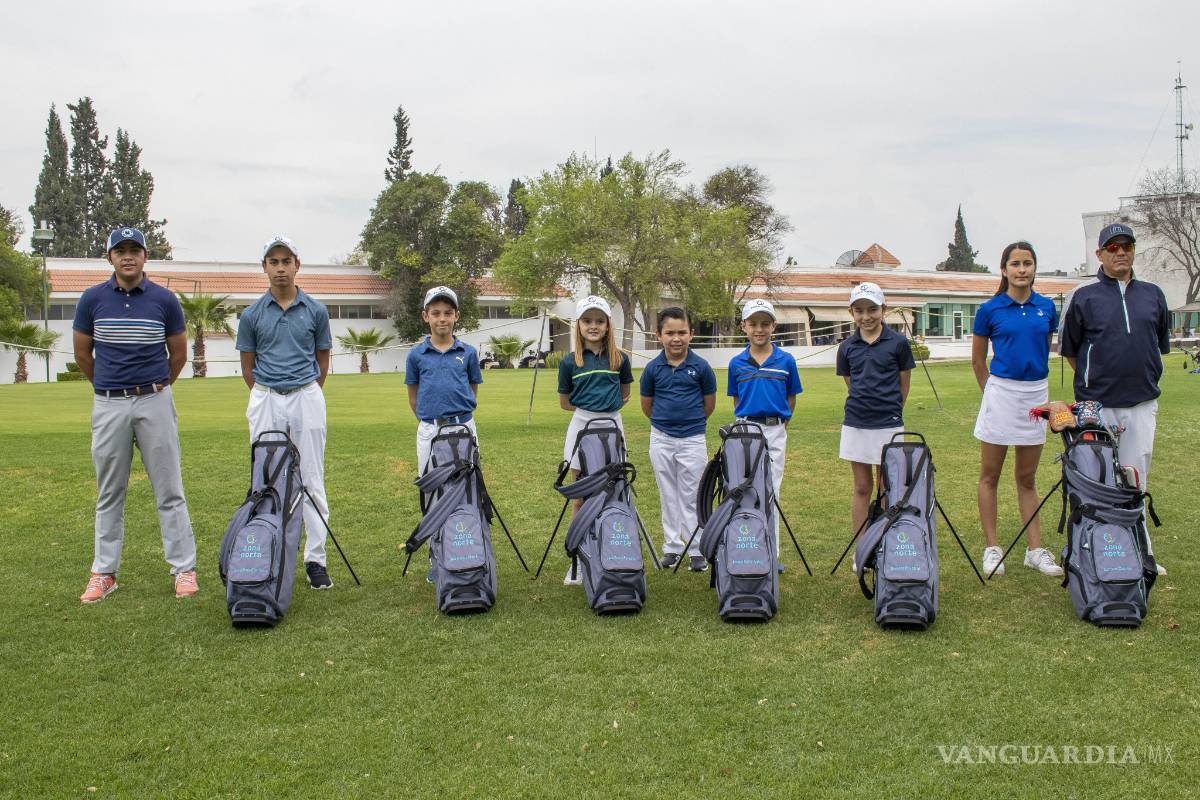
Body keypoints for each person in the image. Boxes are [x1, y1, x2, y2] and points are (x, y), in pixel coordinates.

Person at [72, 227, 198, 603]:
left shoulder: (164, 300)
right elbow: (83, 355)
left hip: (154, 400)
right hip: (109, 403)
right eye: (120, 250)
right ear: (110, 257)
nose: (128, 256)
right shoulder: (92, 299)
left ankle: (184, 570)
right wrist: (112, 387)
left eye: (135, 250)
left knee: (169, 489)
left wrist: (154, 387)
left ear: (145, 257)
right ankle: (104, 572)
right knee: (110, 491)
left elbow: (178, 355)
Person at [1059, 222, 1171, 574]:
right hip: (1097, 405)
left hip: (1141, 403)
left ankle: (1140, 548)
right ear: (1100, 254)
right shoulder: (1084, 296)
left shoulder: (1153, 294)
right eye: (1113, 248)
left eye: (1127, 246)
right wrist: (1097, 381)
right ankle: (1094, 547)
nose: (1121, 252)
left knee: (1137, 477)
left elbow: (1159, 346)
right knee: (1097, 476)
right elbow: (1072, 351)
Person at [236, 235, 335, 589]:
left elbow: (322, 360)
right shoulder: (251, 314)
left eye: (286, 261)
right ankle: (268, 552)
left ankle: (316, 560)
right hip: (266, 397)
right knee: (266, 479)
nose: (280, 268)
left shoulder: (316, 310)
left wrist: (301, 390)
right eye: (273, 261)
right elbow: (248, 366)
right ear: (265, 267)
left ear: (297, 265)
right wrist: (272, 393)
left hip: (306, 395)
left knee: (311, 477)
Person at [971, 242, 1062, 578]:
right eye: (1015, 264)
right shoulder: (990, 310)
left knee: (1027, 478)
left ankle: (1035, 550)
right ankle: (993, 548)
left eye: (1027, 263)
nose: (1022, 269)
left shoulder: (1046, 307)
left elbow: (1043, 347)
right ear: (1004, 269)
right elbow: (978, 361)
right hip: (1001, 393)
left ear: (1034, 268)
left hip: (1036, 394)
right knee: (990, 475)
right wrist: (992, 395)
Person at [836, 282, 914, 570]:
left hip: (888, 424)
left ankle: (883, 544)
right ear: (851, 313)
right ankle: (862, 550)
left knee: (886, 487)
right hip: (856, 423)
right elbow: (851, 383)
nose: (866, 316)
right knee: (861, 487)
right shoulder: (847, 347)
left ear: (883, 309)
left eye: (871, 309)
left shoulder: (898, 343)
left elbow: (903, 383)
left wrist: (891, 411)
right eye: (859, 311)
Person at [558, 295, 634, 585]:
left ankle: (614, 550)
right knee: (580, 490)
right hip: (581, 424)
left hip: (613, 423)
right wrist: (589, 412)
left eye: (599, 321)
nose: (593, 326)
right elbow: (565, 402)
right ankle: (578, 558)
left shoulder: (619, 358)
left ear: (607, 325)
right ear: (578, 325)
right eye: (587, 321)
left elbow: (625, 393)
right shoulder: (569, 362)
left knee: (615, 487)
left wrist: (607, 411)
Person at [727, 298, 802, 570]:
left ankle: (771, 552)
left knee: (772, 491)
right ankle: (744, 548)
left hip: (775, 429)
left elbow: (791, 398)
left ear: (773, 326)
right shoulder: (737, 363)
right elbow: (736, 401)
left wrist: (780, 424)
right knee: (744, 489)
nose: (759, 329)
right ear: (744, 326)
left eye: (765, 324)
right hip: (745, 430)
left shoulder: (786, 360)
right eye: (753, 324)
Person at [640, 307, 717, 572]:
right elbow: (647, 406)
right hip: (661, 438)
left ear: (691, 334)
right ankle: (672, 547)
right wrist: (667, 425)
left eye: (682, 332)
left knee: (692, 495)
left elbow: (709, 404)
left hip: (693, 439)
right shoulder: (652, 369)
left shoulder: (701, 367)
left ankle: (696, 549)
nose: (676, 338)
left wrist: (688, 425)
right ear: (658, 335)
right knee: (668, 494)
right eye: (670, 333)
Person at [405, 286, 483, 475]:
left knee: (467, 483)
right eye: (436, 313)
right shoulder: (416, 355)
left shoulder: (469, 352)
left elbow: (472, 389)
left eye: (448, 313)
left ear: (456, 316)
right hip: (430, 429)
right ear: (426, 316)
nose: (442, 318)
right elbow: (413, 397)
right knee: (431, 485)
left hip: (464, 426)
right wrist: (431, 420)